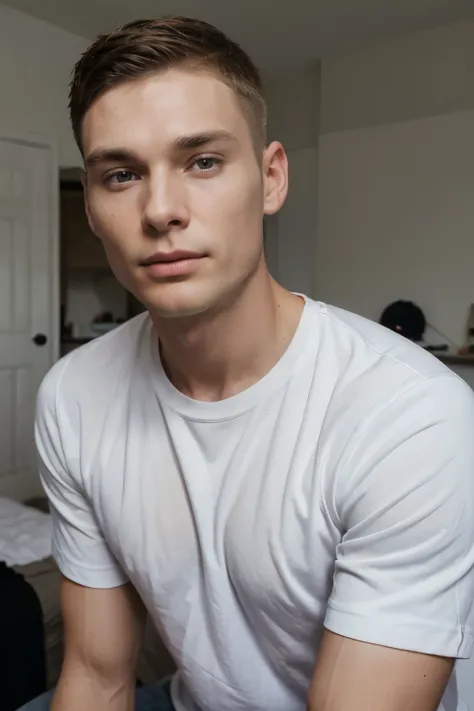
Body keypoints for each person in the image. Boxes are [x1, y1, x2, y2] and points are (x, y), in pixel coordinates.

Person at [20, 15, 474, 711]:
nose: (161, 209)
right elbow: (98, 672)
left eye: (202, 161)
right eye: (121, 174)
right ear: (92, 206)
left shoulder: (411, 415)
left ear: (270, 178)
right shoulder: (74, 395)